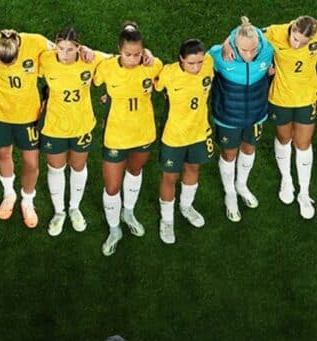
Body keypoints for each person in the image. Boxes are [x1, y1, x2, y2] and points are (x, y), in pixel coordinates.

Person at [94, 22, 163, 256]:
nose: (133, 59)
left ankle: (128, 212)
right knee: (112, 186)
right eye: (127, 54)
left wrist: (150, 57)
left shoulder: (152, 66)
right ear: (118, 50)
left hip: (144, 133)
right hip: (115, 136)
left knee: (134, 171)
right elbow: (91, 70)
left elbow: (165, 75)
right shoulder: (107, 68)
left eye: (137, 54)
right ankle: (114, 230)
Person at [258, 16, 317, 220]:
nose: (297, 44)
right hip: (280, 99)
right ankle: (286, 179)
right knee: (284, 139)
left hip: (307, 99)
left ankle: (304, 192)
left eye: (303, 42)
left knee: (303, 143)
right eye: (295, 38)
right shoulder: (275, 31)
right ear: (291, 29)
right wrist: (229, 43)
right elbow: (248, 33)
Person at [0, 29, 52, 228]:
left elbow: (61, 51)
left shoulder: (36, 41)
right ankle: (9, 193)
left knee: (31, 162)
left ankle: (28, 200)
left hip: (28, 116)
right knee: (3, 153)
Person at [39, 28, 106, 236]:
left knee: (78, 166)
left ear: (78, 47)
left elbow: (117, 62)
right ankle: (59, 212)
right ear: (55, 46)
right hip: (54, 126)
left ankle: (74, 208)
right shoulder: (46, 59)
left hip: (81, 125)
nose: (65, 54)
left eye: (70, 49)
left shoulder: (90, 59)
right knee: (56, 169)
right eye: (61, 48)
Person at [208, 17, 275, 223]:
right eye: (244, 50)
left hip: (256, 114)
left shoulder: (268, 49)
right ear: (235, 44)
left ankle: (242, 185)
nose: (249, 55)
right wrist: (225, 43)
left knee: (249, 149)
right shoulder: (219, 55)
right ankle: (230, 194)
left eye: (253, 50)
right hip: (228, 116)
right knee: (229, 155)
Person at [155, 39, 214, 244]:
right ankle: (167, 220)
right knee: (169, 177)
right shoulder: (168, 74)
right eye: (191, 63)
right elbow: (148, 81)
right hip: (174, 136)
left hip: (198, 133)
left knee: (193, 170)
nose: (196, 67)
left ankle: (186, 206)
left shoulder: (209, 64)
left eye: (199, 62)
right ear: (181, 59)